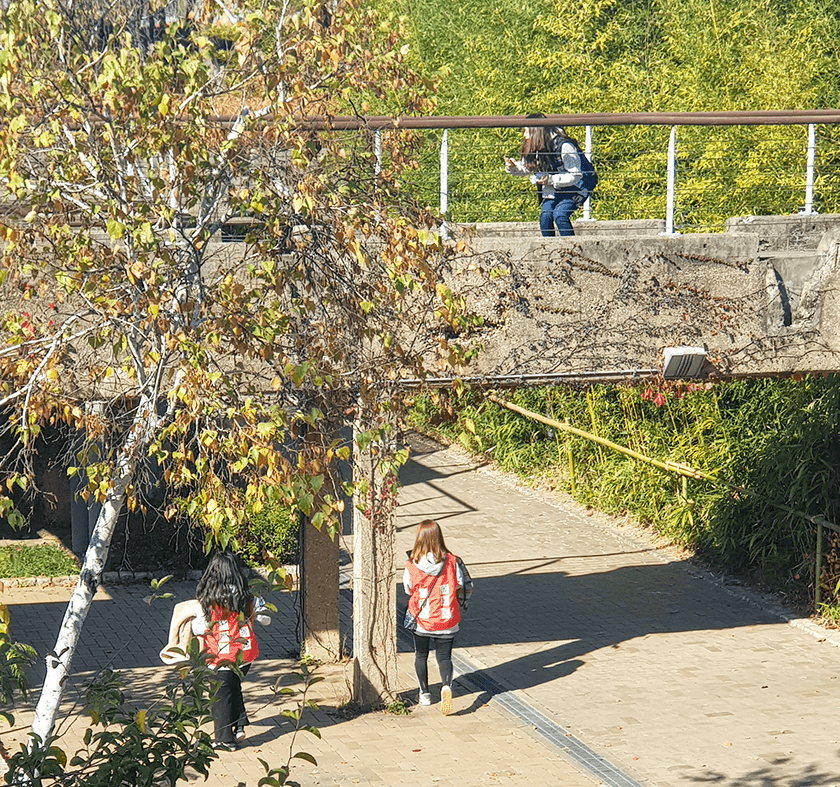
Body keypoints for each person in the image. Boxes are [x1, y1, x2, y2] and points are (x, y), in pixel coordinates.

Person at [192, 548, 269, 750]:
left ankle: (224, 739)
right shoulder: (248, 597)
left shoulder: (206, 601)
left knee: (220, 697)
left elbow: (199, 628)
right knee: (233, 686)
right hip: (245, 654)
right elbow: (265, 619)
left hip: (220, 655)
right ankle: (239, 725)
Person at [403, 519, 472, 715]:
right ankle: (446, 686)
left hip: (422, 620)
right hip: (446, 617)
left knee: (421, 655)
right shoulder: (452, 561)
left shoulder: (412, 565)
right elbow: (460, 584)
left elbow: (408, 589)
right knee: (444, 657)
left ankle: (424, 694)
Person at [504, 112, 588, 237]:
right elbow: (530, 167)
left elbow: (576, 175)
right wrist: (514, 167)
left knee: (560, 215)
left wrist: (550, 179)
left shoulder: (564, 146)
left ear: (536, 132)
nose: (524, 136)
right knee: (545, 216)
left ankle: (571, 247)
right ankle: (548, 246)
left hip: (577, 187)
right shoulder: (537, 146)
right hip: (553, 187)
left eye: (526, 132)